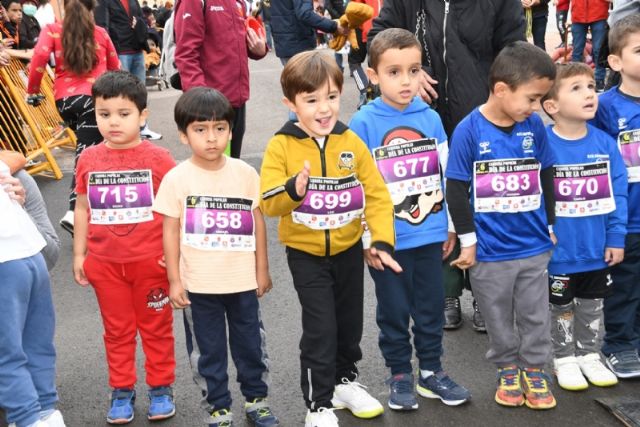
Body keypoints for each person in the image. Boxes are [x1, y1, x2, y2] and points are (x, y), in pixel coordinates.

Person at [260, 50, 399, 427]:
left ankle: (343, 382)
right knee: (321, 327)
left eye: (332, 97)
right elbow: (268, 202)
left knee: (350, 323)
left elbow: (376, 194)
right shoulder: (281, 145)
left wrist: (381, 240)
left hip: (348, 249)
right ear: (291, 104)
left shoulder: (350, 141)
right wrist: (293, 189)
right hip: (306, 254)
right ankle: (319, 402)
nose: (324, 108)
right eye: (311, 100)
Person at [368, 0, 526, 332]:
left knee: (484, 203)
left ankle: (485, 292)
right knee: (435, 199)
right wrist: (414, 71)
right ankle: (447, 292)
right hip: (426, 117)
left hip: (484, 117)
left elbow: (513, 49)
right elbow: (379, 35)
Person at [349, 28, 470, 411]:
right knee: (394, 311)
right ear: (373, 75)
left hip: (431, 235)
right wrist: (369, 240)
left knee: (431, 308)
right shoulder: (363, 123)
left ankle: (431, 371)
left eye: (414, 70)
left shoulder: (431, 118)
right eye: (394, 72)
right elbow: (358, 187)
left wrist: (451, 224)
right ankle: (400, 373)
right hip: (387, 242)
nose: (406, 81)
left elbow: (447, 173)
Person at [153, 87, 279, 427]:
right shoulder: (176, 178)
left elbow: (257, 222)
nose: (212, 138)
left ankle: (257, 399)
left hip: (242, 281)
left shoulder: (245, 173)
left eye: (220, 128)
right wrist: (174, 280)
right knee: (208, 351)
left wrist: (262, 269)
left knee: (251, 345)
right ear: (183, 134)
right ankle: (218, 407)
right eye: (200, 129)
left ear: (231, 130)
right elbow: (169, 230)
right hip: (198, 285)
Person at [445, 41, 558, 410]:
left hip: (533, 246)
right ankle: (508, 367)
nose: (536, 108)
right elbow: (455, 189)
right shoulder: (469, 129)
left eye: (540, 99)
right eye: (532, 98)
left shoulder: (533, 127)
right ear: (501, 89)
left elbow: (547, 174)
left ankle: (534, 368)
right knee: (496, 316)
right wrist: (468, 240)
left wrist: (551, 223)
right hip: (490, 251)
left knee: (535, 314)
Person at [72, 71, 177, 424]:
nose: (113, 122)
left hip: (152, 265)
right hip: (105, 266)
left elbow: (175, 210)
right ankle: (121, 388)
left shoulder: (160, 159)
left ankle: (161, 387)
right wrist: (79, 254)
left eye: (123, 113)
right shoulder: (88, 159)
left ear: (143, 115)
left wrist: (174, 256)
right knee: (116, 332)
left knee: (156, 328)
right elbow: (82, 208)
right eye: (104, 114)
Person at [541, 62, 627, 390]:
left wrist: (616, 237)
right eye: (576, 88)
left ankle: (589, 354)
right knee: (560, 307)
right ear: (552, 106)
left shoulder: (605, 144)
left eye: (591, 86)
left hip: (596, 250)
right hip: (558, 253)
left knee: (592, 306)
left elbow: (619, 193)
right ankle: (563, 358)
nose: (590, 94)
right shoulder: (543, 146)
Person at [27, 0, 120, 236]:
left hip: (65, 102)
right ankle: (73, 211)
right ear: (92, 8)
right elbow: (115, 68)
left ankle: (95, 211)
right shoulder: (100, 33)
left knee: (92, 150)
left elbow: (39, 58)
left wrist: (33, 92)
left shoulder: (52, 30)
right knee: (88, 153)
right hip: (95, 101)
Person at [591, 13, 640, 378]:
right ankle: (619, 345)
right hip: (626, 221)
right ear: (615, 61)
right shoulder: (605, 107)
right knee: (623, 286)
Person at [0, 158, 65, 427]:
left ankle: (26, 418)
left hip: (5, 263)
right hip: (30, 253)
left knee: (6, 354)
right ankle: (46, 413)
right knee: (36, 345)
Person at [174, 0, 267, 159]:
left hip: (238, 100)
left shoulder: (238, 2)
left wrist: (259, 49)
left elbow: (240, 40)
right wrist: (201, 100)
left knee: (231, 161)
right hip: (211, 104)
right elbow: (186, 55)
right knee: (213, 164)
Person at [95, 0, 163, 140]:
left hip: (137, 48)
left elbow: (142, 18)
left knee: (140, 92)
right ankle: (124, 129)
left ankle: (143, 127)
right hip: (120, 51)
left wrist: (139, 24)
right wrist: (110, 53)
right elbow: (102, 26)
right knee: (121, 93)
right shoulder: (104, 2)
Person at [270, 0, 348, 64]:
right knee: (306, 77)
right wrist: (334, 26)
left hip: (284, 42)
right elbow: (305, 14)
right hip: (299, 44)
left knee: (292, 77)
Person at [570, 0, 609, 92]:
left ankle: (599, 79)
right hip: (578, 15)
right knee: (577, 49)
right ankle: (574, 78)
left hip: (599, 13)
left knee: (599, 49)